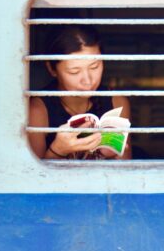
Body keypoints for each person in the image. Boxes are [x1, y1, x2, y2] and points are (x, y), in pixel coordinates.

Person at [28, 25, 132, 160]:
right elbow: (32, 177)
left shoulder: (116, 103)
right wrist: (58, 150)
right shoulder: (37, 111)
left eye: (94, 67)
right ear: (52, 69)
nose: (88, 80)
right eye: (74, 72)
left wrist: (116, 155)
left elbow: (125, 173)